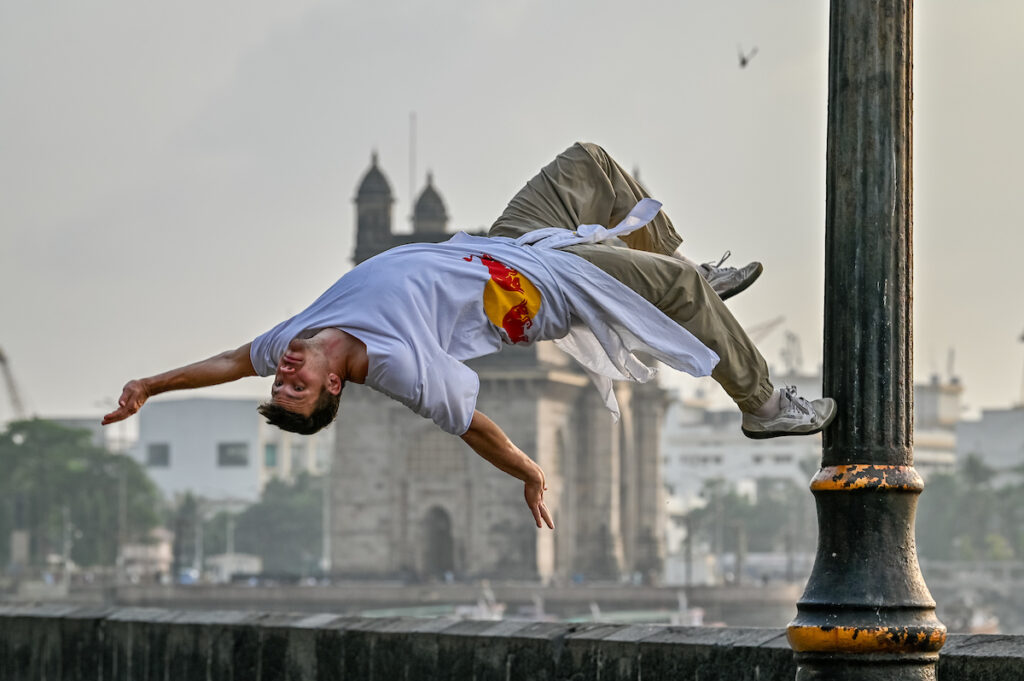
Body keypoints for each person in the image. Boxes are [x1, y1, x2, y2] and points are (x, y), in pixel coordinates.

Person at [103, 142, 836, 531]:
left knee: (588, 163)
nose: (281, 373)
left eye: (279, 382)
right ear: (333, 386)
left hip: (505, 244)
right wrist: (529, 472)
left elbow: (230, 359)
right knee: (678, 297)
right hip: (538, 289)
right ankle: (762, 403)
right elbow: (476, 426)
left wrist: (151, 385)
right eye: (294, 387)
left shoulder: (294, 336)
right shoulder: (392, 367)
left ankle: (678, 270)